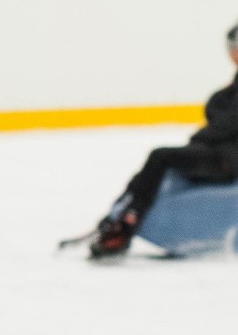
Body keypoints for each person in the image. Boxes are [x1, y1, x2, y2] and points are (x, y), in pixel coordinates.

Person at [89, 22, 238, 258]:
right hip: (219, 155)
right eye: (232, 47)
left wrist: (202, 136)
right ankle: (117, 217)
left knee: (161, 156)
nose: (233, 53)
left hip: (227, 161)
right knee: (154, 168)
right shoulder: (230, 89)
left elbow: (224, 125)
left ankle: (127, 223)